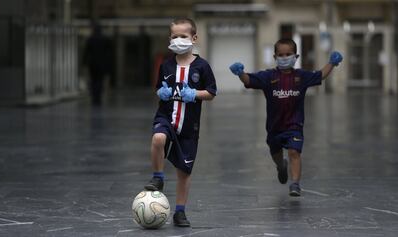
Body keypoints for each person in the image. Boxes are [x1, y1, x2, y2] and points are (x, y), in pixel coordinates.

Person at [229, 38, 342, 196]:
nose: (284, 57)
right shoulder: (268, 77)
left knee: (294, 152)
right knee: (276, 153)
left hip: (294, 125)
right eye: (281, 55)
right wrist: (240, 73)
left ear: (296, 56)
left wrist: (332, 63)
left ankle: (295, 183)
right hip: (274, 127)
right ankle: (281, 166)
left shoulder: (301, 76)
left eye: (288, 54)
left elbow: (320, 75)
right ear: (275, 57)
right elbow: (249, 80)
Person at [144, 18, 217, 227]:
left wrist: (194, 93)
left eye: (183, 36)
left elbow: (211, 92)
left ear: (193, 38)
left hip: (189, 126)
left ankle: (180, 211)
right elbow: (159, 87)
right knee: (158, 138)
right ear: (169, 39)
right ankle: (157, 176)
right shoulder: (166, 65)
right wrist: (162, 91)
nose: (178, 40)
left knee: (184, 172)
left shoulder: (202, 66)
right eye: (174, 36)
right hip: (166, 116)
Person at [83, 23, 112, 105]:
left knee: (93, 80)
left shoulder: (90, 39)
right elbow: (108, 53)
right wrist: (108, 65)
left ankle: (94, 96)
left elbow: (86, 52)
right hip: (102, 64)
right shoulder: (105, 39)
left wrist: (84, 63)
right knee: (99, 80)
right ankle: (98, 96)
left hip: (92, 64)